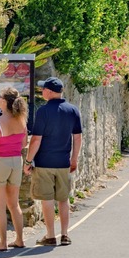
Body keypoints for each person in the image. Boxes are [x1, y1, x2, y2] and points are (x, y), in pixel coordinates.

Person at [24, 78, 82, 246]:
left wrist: (28, 160)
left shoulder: (43, 111)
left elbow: (36, 139)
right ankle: (65, 235)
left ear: (49, 91)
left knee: (47, 199)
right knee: (63, 199)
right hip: (64, 163)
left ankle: (50, 236)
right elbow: (77, 138)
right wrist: (74, 159)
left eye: (43, 89)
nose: (42, 92)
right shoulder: (73, 110)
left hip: (44, 163)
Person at [0, 87, 27, 251]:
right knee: (14, 203)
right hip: (17, 161)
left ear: (4, 101)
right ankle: (20, 239)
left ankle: (3, 243)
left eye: (0, 96)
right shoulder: (22, 121)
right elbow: (24, 144)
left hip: (0, 162)